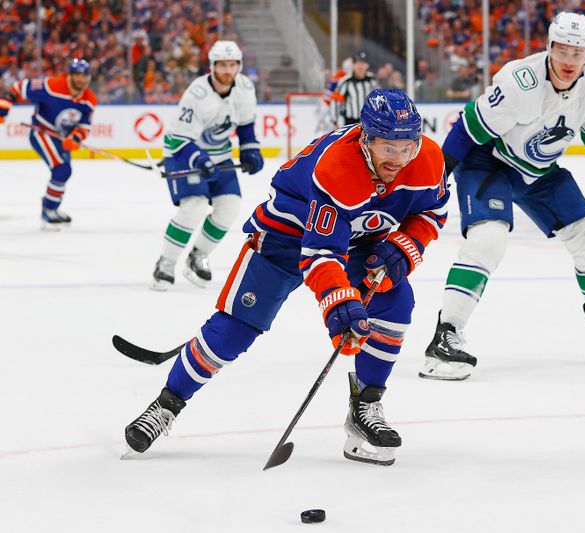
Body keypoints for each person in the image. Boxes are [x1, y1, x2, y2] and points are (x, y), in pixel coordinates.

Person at [124, 89, 448, 466]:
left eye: (406, 147)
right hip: (286, 236)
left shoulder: (427, 158)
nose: (397, 159)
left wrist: (407, 244)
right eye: (387, 148)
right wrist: (339, 306)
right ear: (365, 138)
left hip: (360, 238)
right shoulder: (338, 168)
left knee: (395, 301)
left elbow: (432, 212)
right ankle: (166, 405)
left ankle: (366, 406)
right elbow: (320, 254)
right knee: (233, 331)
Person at [419, 12, 585, 382]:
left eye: (579, 52)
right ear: (549, 47)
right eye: (563, 50)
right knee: (489, 239)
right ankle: (445, 334)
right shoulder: (519, 81)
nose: (570, 60)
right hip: (488, 163)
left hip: (539, 171)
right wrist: (438, 177)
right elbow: (469, 127)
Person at [152, 40, 263, 290]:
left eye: (232, 65)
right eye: (222, 65)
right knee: (194, 206)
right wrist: (200, 159)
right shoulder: (197, 94)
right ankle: (165, 263)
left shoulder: (245, 88)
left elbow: (245, 127)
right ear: (212, 66)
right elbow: (180, 139)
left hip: (219, 155)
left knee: (230, 207)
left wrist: (251, 150)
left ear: (239, 66)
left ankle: (197, 256)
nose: (227, 70)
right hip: (183, 152)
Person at [0, 58, 96, 230]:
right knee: (62, 169)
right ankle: (48, 210)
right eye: (77, 75)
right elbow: (18, 88)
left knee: (63, 171)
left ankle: (52, 208)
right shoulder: (51, 86)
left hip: (61, 139)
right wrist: (4, 106)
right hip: (41, 132)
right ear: (70, 75)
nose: (80, 80)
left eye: (84, 76)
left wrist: (76, 137)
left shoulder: (89, 100)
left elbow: (84, 126)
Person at [330, 51, 379, 127]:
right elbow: (336, 101)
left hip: (370, 121)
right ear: (353, 65)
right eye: (358, 63)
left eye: (363, 63)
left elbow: (379, 100)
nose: (360, 66)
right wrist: (334, 122)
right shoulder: (345, 81)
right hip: (351, 122)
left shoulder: (372, 81)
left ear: (367, 65)